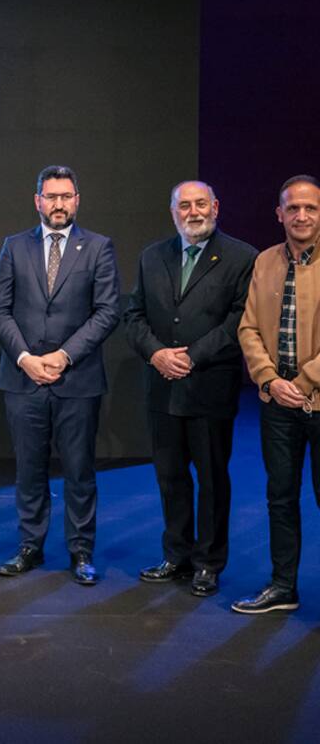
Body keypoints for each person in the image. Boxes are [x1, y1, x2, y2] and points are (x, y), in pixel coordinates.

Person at [125, 180, 255, 597]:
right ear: (173, 212)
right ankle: (177, 556)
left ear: (216, 207)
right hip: (162, 387)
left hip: (209, 388)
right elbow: (134, 315)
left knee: (213, 481)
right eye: (184, 206)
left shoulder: (242, 257)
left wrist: (192, 356)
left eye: (201, 204)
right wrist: (156, 354)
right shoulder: (152, 256)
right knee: (170, 477)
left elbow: (239, 321)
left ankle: (208, 563)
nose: (193, 212)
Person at [0, 165, 120, 585]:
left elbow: (107, 312)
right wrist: (25, 358)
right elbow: (0, 310)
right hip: (23, 377)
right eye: (51, 196)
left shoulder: (98, 247)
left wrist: (64, 356)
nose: (58, 204)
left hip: (77, 379)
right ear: (38, 201)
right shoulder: (14, 246)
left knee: (79, 470)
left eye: (66, 196)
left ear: (77, 200)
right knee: (29, 469)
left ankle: (81, 551)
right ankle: (30, 546)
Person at [232, 174, 320, 614]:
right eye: (293, 208)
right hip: (277, 403)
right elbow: (248, 327)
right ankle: (283, 587)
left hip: (315, 399)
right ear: (279, 214)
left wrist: (302, 383)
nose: (301, 215)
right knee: (280, 497)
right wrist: (269, 381)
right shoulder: (265, 260)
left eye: (311, 208)